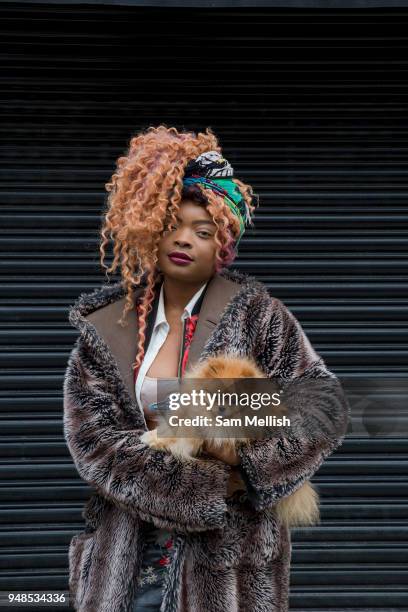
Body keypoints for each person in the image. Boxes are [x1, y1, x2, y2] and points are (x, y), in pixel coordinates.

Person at [63, 125, 350, 612]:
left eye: (204, 231)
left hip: (229, 570)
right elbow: (93, 443)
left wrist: (244, 456)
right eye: (174, 223)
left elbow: (321, 406)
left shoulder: (261, 316)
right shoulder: (105, 328)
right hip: (127, 562)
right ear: (151, 227)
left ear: (224, 244)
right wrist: (209, 485)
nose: (185, 240)